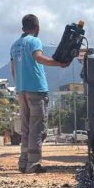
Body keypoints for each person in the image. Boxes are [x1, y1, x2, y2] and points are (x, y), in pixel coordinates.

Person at [10, 14, 68, 173]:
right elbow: (39, 57)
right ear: (37, 28)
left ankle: (23, 163)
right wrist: (58, 63)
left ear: (23, 28)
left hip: (21, 91)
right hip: (36, 90)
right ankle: (33, 165)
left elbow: (13, 70)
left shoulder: (14, 46)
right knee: (37, 129)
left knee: (26, 129)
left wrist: (20, 86)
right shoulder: (34, 41)